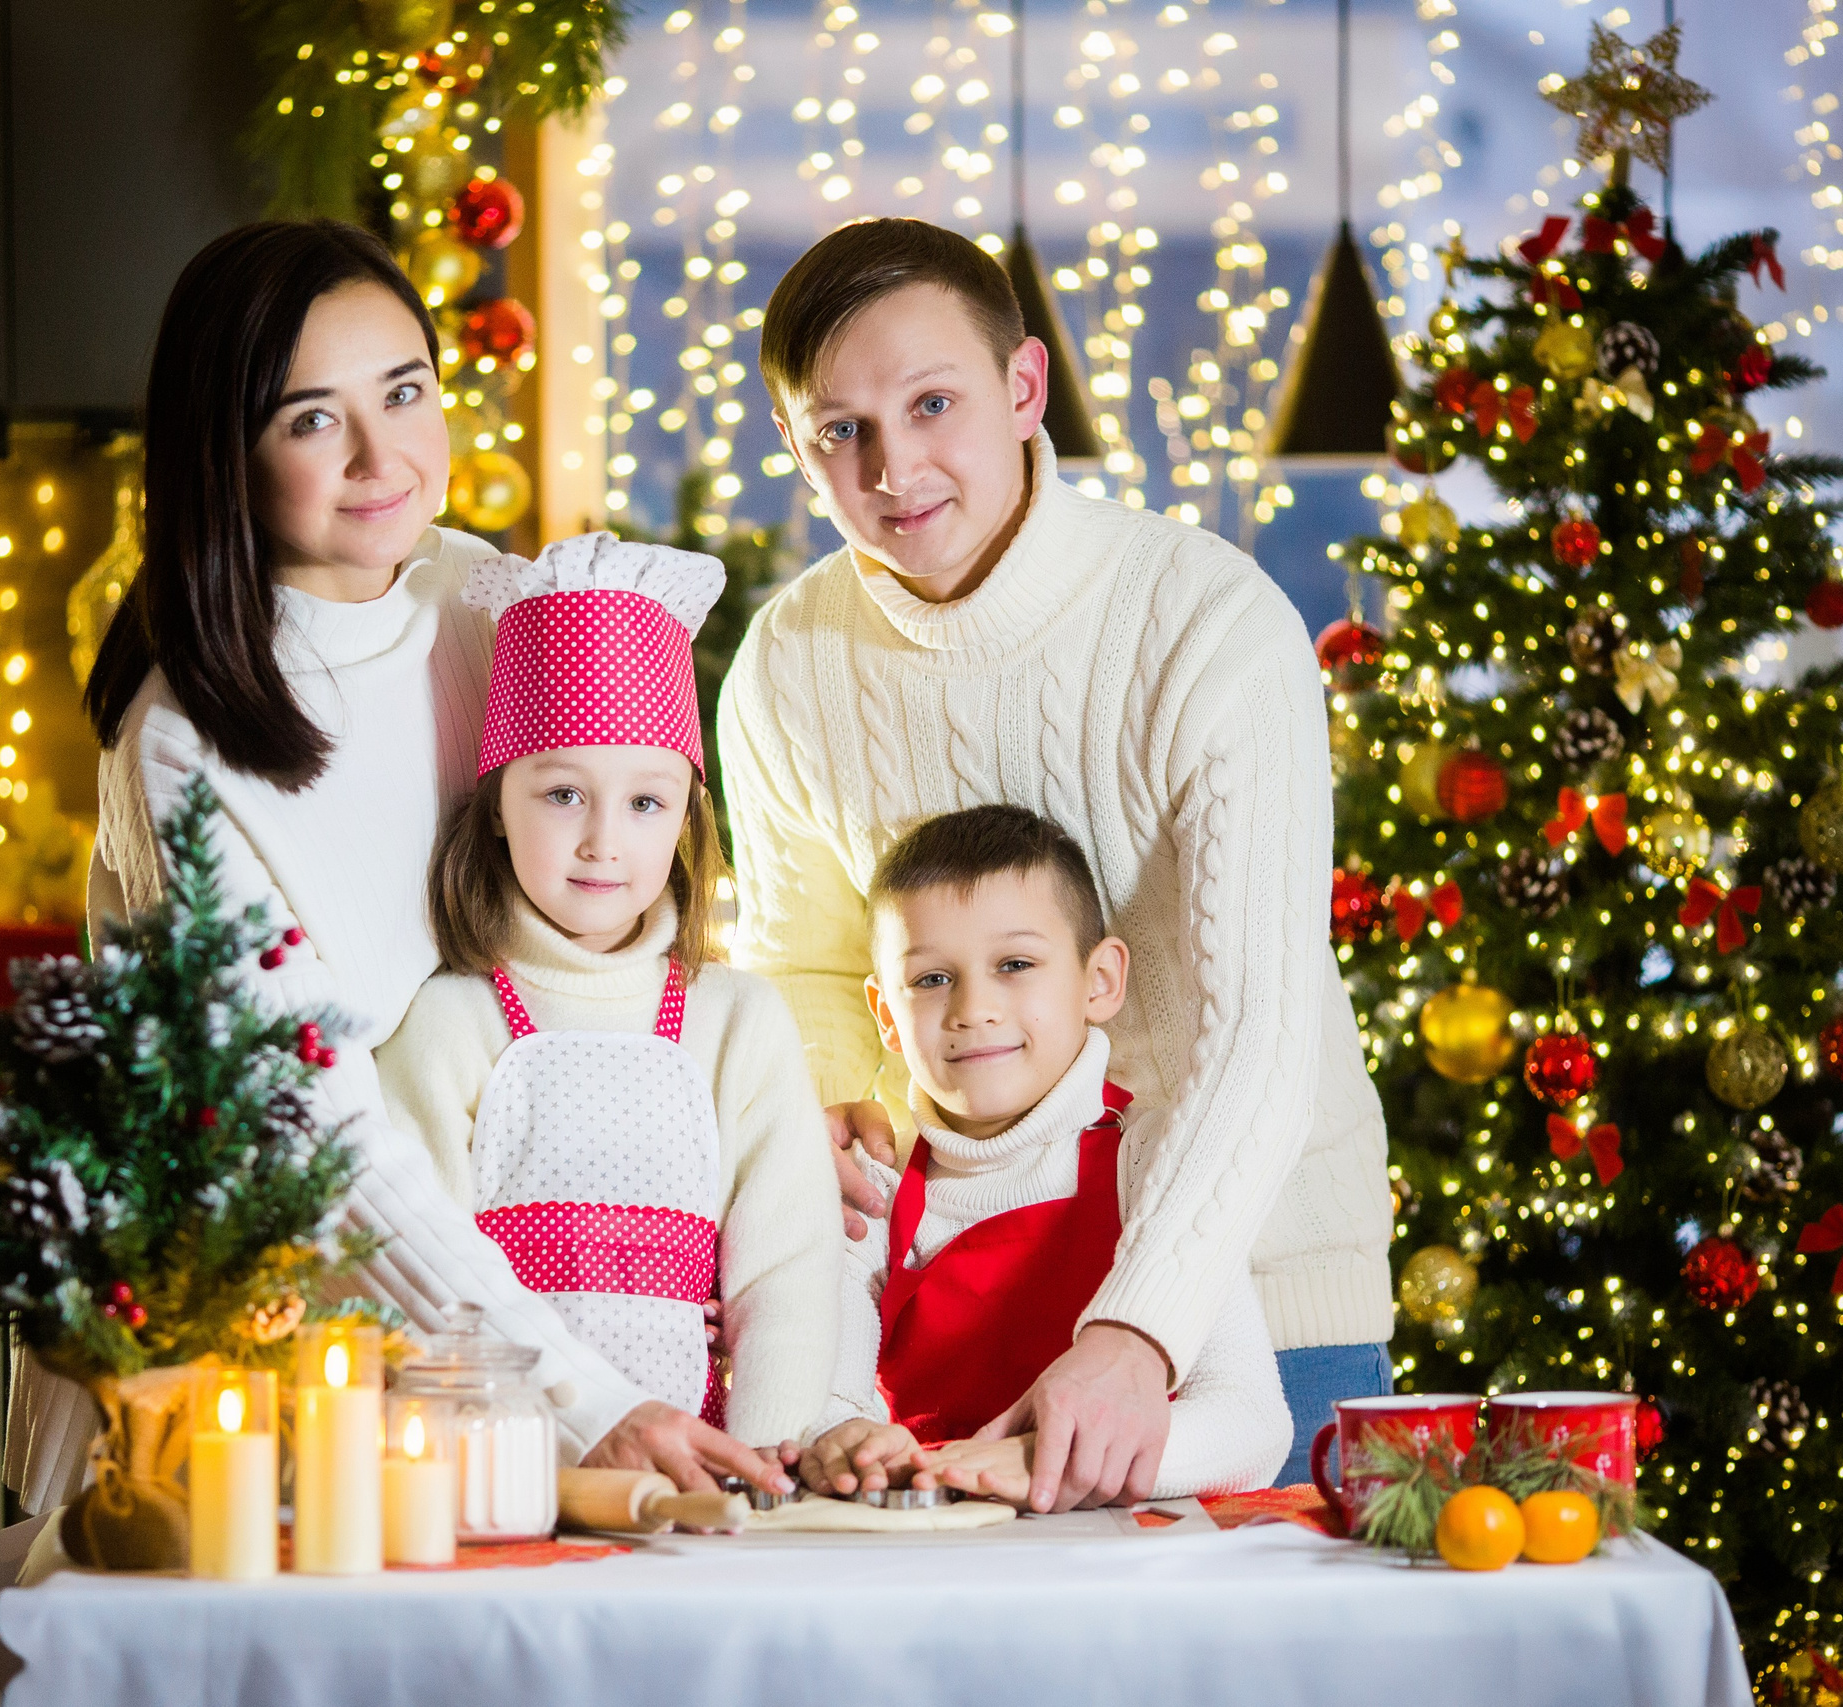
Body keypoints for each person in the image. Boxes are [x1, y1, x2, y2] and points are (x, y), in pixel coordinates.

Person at [2, 219, 786, 1531]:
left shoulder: (483, 598)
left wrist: (721, 1162)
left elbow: (612, 909)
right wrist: (579, 1383)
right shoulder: (187, 741)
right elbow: (308, 1131)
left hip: (474, 1335)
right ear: (226, 451)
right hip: (241, 1357)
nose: (384, 456)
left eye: (406, 390)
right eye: (314, 418)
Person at [718, 216, 1392, 1509]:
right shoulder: (785, 667)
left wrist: (1138, 1326)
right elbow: (802, 958)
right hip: (959, 1284)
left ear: (1024, 388)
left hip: (1260, 1281)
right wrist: (836, 1105)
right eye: (838, 432)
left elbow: (1256, 1027)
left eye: (931, 404)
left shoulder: (1209, 621)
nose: (894, 466)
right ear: (802, 454)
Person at [376, 533, 840, 1451]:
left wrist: (766, 1462)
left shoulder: (736, 1022)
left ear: (685, 814)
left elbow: (786, 1269)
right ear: (498, 807)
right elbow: (421, 1279)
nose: (603, 842)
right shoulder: (446, 1021)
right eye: (561, 794)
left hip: (702, 1479)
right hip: (500, 1469)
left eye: (645, 802)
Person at [794, 806, 1289, 1506]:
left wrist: (1043, 1461)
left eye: (1015, 964)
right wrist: (843, 1436)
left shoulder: (1153, 1159)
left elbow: (1252, 1422)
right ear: (886, 1015)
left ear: (1100, 981)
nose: (974, 1007)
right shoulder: (871, 1183)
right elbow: (827, 1388)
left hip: (1129, 1576)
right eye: (932, 978)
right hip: (933, 1568)